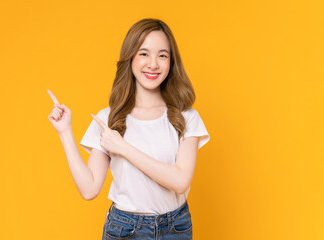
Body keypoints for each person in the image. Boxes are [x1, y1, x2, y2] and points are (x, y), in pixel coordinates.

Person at [48, 18, 210, 240]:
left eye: (162, 55)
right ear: (130, 58)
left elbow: (180, 182)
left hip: (176, 228)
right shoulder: (109, 118)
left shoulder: (185, 117)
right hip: (126, 230)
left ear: (171, 62)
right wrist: (65, 131)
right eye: (144, 53)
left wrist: (123, 148)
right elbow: (89, 189)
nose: (153, 64)